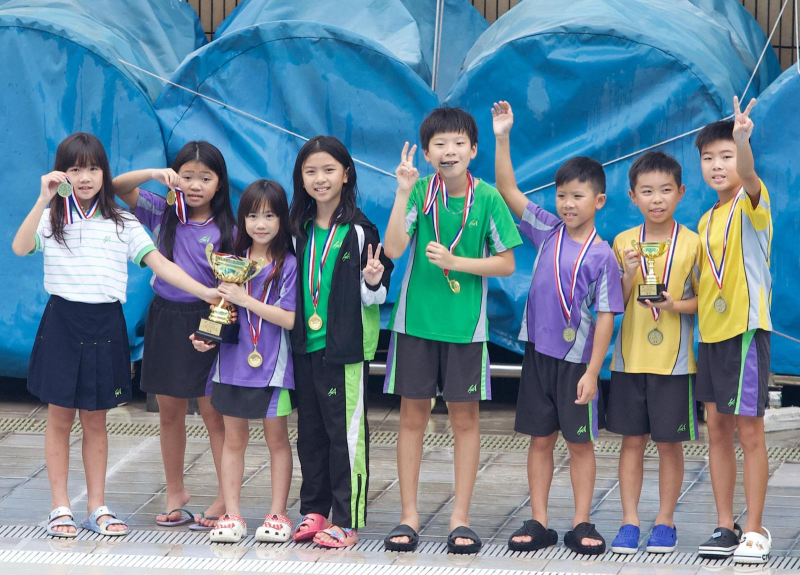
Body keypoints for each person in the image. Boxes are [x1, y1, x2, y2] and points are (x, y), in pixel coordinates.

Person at [11, 133, 218, 538]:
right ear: (62, 174)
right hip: (61, 323)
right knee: (59, 418)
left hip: (106, 325)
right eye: (74, 169)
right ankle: (59, 508)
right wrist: (42, 199)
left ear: (104, 172)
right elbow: (20, 248)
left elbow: (160, 263)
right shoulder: (53, 218)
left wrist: (204, 291)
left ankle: (97, 506)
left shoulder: (123, 221)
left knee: (96, 419)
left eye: (92, 168)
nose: (84, 177)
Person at [383, 107, 522, 554]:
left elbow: (507, 263)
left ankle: (460, 518)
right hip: (415, 325)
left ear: (473, 150)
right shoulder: (420, 192)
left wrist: (457, 262)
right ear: (426, 153)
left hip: (467, 329)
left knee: (465, 420)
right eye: (439, 144)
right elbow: (393, 248)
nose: (449, 151)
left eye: (458, 143)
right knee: (412, 417)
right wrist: (402, 192)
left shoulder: (488, 200)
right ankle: (408, 515)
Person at [492, 101, 624, 555]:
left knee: (580, 443)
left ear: (599, 201)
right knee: (540, 439)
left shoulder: (604, 256)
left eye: (578, 196)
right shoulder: (545, 230)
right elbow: (508, 189)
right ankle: (540, 520)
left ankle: (582, 522)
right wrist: (503, 135)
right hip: (539, 356)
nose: (567, 204)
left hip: (576, 365)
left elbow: (606, 316)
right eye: (562, 195)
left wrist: (593, 371)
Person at [113, 142, 236, 531]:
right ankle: (175, 493)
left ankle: (223, 497)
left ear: (220, 183)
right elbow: (117, 187)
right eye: (187, 176)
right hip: (166, 316)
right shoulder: (163, 210)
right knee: (169, 412)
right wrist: (153, 173)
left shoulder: (229, 228)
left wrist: (218, 324)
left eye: (205, 177)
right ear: (175, 177)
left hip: (210, 317)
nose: (195, 185)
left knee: (214, 413)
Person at [288, 135, 393, 549]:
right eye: (311, 171)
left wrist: (371, 280)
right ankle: (314, 510)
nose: (320, 179)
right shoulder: (297, 229)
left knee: (344, 435)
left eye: (329, 170)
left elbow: (378, 289)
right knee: (309, 432)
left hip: (345, 351)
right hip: (303, 346)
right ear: (301, 177)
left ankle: (348, 520)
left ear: (346, 174)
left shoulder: (362, 231)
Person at [191, 180, 297, 544]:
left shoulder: (288, 264)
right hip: (232, 365)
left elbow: (289, 319)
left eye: (269, 215)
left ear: (282, 219)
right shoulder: (229, 261)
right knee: (233, 440)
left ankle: (278, 514)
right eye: (253, 215)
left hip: (274, 370)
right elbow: (221, 311)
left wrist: (246, 300)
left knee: (277, 440)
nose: (261, 223)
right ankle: (232, 514)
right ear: (243, 220)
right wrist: (206, 336)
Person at [606, 151, 701, 554]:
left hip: (675, 363)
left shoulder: (693, 243)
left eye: (665, 190)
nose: (656, 199)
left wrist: (673, 306)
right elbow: (612, 301)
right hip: (628, 360)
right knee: (631, 441)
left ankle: (665, 521)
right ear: (632, 196)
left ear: (680, 193)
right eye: (647, 191)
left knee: (669, 444)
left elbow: (704, 299)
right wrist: (627, 274)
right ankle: (629, 520)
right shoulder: (623, 242)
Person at [694, 97, 772, 564]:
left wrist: (742, 141)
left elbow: (751, 176)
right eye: (709, 158)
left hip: (745, 333)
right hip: (711, 337)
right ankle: (726, 525)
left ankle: (756, 530)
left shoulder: (752, 203)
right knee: (717, 430)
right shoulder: (706, 219)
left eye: (726, 157)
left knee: (750, 432)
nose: (718, 166)